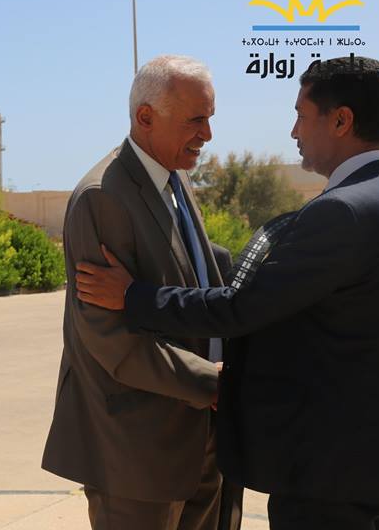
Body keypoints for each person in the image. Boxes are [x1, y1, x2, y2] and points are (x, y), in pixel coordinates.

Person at [75, 56, 379, 530]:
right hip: (364, 463)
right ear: (145, 116)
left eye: (301, 115)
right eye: (196, 120)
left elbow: (243, 308)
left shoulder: (345, 210)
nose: (294, 131)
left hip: (332, 474)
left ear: (341, 120)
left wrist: (133, 297)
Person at [42, 55, 239, 530]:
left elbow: (194, 277)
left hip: (202, 434)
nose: (208, 134)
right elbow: (111, 338)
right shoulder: (103, 197)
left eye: (210, 118)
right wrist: (210, 382)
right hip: (137, 452)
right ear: (145, 117)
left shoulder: (175, 177)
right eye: (195, 120)